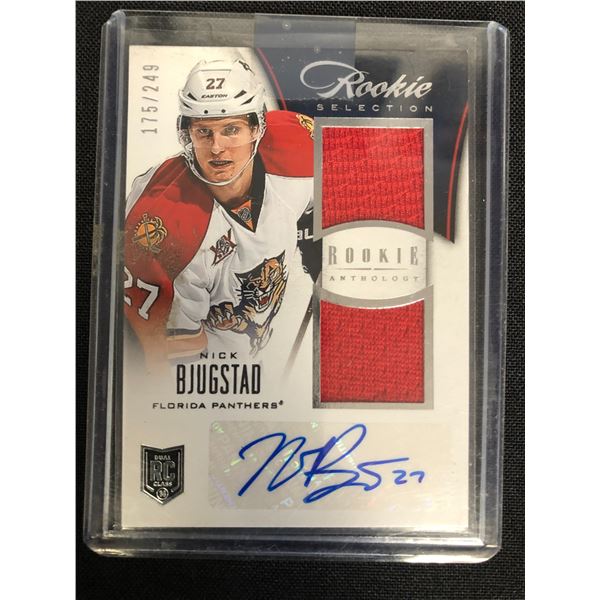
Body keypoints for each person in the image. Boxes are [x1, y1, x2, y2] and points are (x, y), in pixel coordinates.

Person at [124, 58, 315, 369]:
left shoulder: (297, 147)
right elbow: (163, 369)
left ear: (257, 128)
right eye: (203, 132)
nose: (216, 148)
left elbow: (352, 185)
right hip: (209, 374)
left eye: (231, 130)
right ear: (187, 134)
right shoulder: (167, 225)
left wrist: (319, 238)